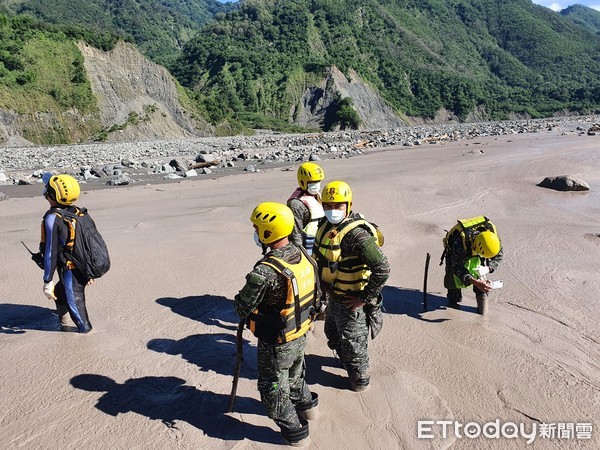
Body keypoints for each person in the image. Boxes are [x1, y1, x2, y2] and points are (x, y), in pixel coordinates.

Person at [234, 202, 320, 447]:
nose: (254, 231)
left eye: (257, 227)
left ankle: (295, 432)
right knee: (295, 376)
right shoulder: (303, 253)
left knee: (273, 389)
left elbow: (242, 307)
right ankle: (308, 408)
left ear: (267, 233)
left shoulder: (266, 271)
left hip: (277, 343)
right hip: (300, 333)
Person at [313, 181, 390, 392]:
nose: (332, 210)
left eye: (338, 206)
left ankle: (359, 379)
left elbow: (382, 268)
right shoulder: (326, 226)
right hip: (334, 296)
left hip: (352, 300)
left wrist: (363, 298)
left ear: (349, 205)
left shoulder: (357, 236)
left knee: (354, 345)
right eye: (328, 205)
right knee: (332, 333)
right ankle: (347, 362)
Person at [40, 173, 93, 333]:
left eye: (47, 189)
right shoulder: (78, 212)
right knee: (59, 294)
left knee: (82, 323)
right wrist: (89, 271)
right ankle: (64, 326)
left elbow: (51, 251)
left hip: (72, 272)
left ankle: (84, 344)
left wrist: (47, 280)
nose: (44, 191)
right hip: (82, 267)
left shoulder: (52, 218)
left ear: (52, 195)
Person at [442, 216, 503, 315]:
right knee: (454, 289)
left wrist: (487, 269)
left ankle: (482, 305)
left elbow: (498, 257)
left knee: (482, 282)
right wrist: (474, 281)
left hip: (477, 250)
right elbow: (457, 267)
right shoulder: (461, 242)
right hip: (456, 254)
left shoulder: (493, 238)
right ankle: (453, 299)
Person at [287, 162, 325, 254]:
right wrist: (299, 252)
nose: (316, 185)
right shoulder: (296, 203)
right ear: (303, 182)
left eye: (318, 181)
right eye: (312, 182)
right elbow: (295, 232)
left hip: (321, 239)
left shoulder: (318, 196)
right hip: (308, 244)